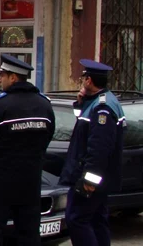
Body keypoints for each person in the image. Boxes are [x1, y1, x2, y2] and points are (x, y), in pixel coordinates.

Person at [0, 54, 55, 246]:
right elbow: (47, 137)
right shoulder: (44, 105)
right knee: (29, 233)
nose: (0, 79)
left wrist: (0, 154)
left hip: (1, 181)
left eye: (3, 75)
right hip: (30, 181)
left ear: (13, 78)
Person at [59, 60, 126, 246]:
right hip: (98, 179)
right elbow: (84, 129)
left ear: (89, 81)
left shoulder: (102, 108)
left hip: (90, 179)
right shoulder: (100, 102)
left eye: (83, 78)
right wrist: (81, 103)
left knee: (76, 219)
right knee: (97, 220)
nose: (81, 82)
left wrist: (89, 180)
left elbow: (99, 148)